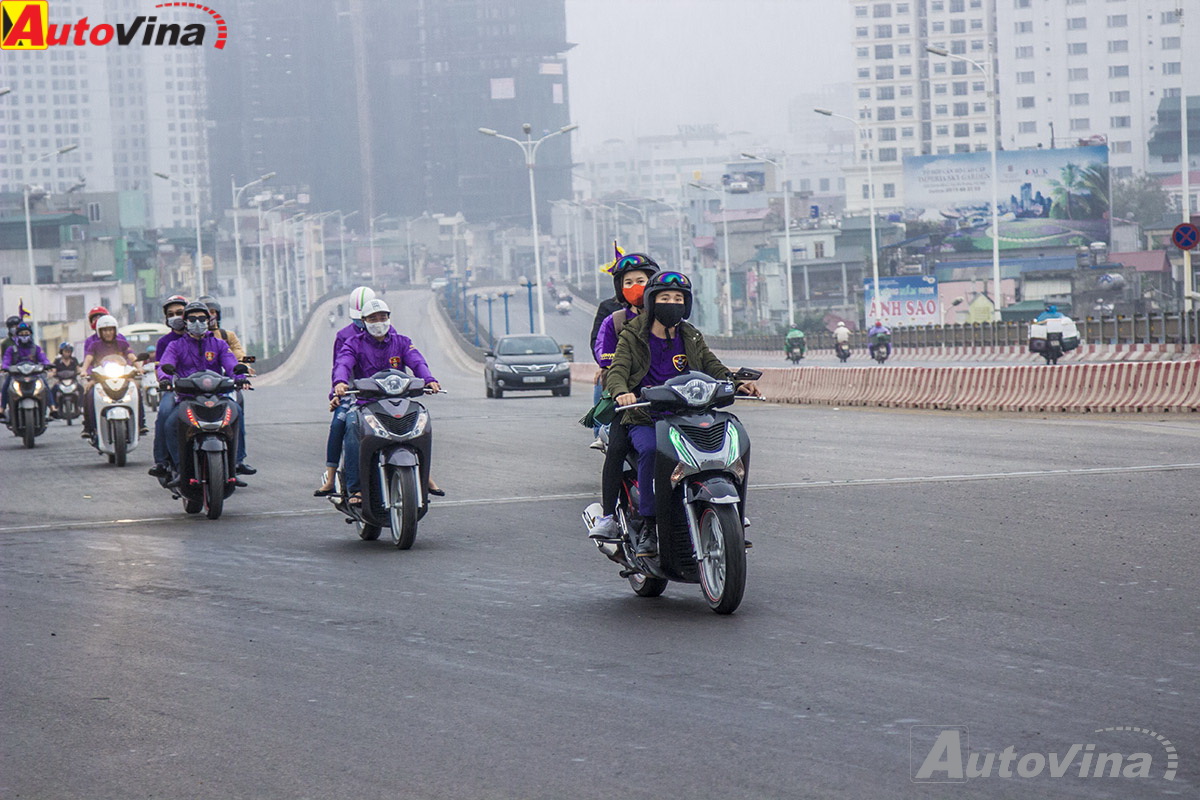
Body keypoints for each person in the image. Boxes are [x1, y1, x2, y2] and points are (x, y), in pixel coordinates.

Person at [598, 271, 761, 557]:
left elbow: (714, 367)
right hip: (646, 415)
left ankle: (733, 514)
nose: (672, 303)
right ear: (652, 301)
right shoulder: (632, 335)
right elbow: (617, 372)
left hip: (687, 415)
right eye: (665, 298)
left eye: (678, 298)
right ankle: (649, 524)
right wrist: (622, 391)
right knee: (650, 451)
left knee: (730, 443)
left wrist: (736, 383)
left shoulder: (690, 335)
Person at [331, 298, 442, 507]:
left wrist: (429, 379)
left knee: (422, 424)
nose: (378, 322)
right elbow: (343, 363)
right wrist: (339, 383)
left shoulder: (402, 341)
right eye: (373, 318)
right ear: (363, 321)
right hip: (366, 404)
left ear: (389, 318)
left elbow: (416, 361)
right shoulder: (353, 343)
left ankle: (424, 477)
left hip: (400, 401)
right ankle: (355, 487)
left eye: (383, 317)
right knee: (352, 425)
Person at [589, 253, 660, 525]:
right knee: (617, 447)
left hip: (669, 401)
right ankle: (608, 516)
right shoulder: (616, 321)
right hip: (630, 402)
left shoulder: (671, 320)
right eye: (628, 282)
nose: (635, 286)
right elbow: (608, 360)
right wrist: (622, 389)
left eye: (641, 280)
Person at [158, 302, 243, 487]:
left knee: (236, 411)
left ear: (209, 320)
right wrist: (164, 379)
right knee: (171, 424)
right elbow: (165, 364)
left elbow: (231, 364)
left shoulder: (219, 344)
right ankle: (180, 468)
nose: (198, 322)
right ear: (185, 322)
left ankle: (236, 464)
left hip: (217, 396)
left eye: (202, 318)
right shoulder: (175, 346)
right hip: (186, 398)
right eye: (193, 319)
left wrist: (240, 376)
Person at [314, 286, 375, 496]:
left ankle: (426, 477)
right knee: (340, 423)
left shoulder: (387, 332)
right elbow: (339, 367)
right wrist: (337, 393)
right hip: (354, 394)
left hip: (382, 393)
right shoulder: (345, 336)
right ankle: (332, 477)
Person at [200, 296, 255, 476]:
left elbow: (240, 356)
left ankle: (238, 459)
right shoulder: (190, 339)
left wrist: (244, 367)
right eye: (204, 313)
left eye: (212, 312)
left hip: (224, 385)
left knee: (237, 409)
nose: (209, 316)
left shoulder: (226, 337)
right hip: (197, 387)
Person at [79, 315, 143, 439]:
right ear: (99, 332)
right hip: (100, 378)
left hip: (122, 377)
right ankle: (88, 426)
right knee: (89, 393)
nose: (108, 333)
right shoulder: (94, 345)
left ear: (115, 330)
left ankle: (140, 423)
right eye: (104, 330)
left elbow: (131, 356)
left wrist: (139, 367)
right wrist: (83, 370)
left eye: (110, 329)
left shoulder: (122, 343)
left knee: (135, 389)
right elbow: (88, 358)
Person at [147, 295, 189, 478]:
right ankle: (162, 461)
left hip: (201, 389)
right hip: (175, 389)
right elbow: (160, 368)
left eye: (180, 313)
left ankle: (235, 461)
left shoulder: (200, 336)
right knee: (164, 413)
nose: (176, 317)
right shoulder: (165, 342)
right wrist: (165, 381)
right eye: (171, 314)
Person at [2, 322, 52, 421]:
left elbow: (43, 358)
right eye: (22, 334)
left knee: (45, 385)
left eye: (26, 333)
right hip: (16, 375)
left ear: (30, 334)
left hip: (34, 375)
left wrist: (47, 364)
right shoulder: (11, 349)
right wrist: (5, 367)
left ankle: (52, 408)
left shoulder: (36, 348)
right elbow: (6, 360)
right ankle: (2, 409)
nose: (24, 336)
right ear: (17, 335)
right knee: (6, 386)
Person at [48, 342, 81, 417]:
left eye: (69, 352)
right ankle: (54, 408)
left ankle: (80, 407)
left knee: (81, 388)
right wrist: (52, 374)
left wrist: (81, 372)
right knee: (53, 390)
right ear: (61, 352)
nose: (67, 353)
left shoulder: (74, 360)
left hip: (73, 381)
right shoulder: (57, 361)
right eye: (65, 351)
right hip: (60, 382)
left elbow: (78, 369)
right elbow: (54, 370)